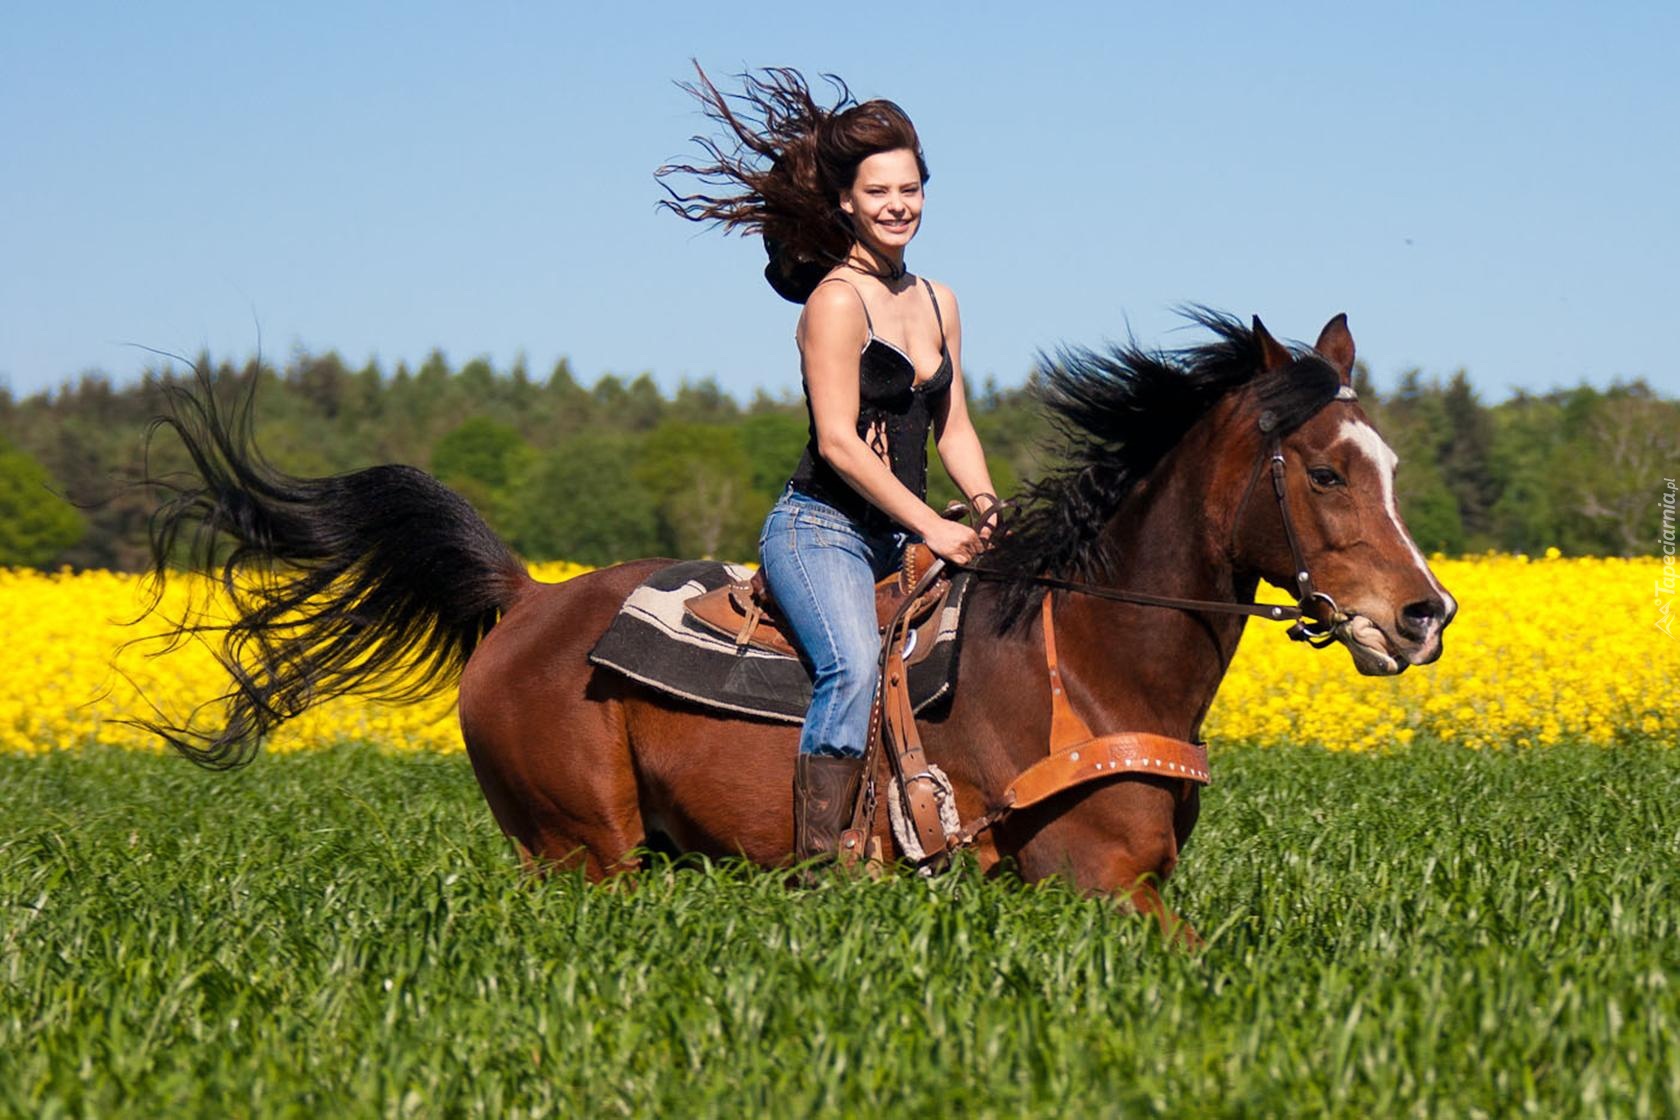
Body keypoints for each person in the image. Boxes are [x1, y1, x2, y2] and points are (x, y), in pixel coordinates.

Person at [658, 66, 999, 861]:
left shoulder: (940, 300)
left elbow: (955, 428)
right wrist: (932, 529)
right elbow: (841, 442)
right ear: (846, 199)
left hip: (905, 530)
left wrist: (984, 505)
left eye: (911, 188)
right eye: (880, 190)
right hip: (824, 531)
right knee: (850, 668)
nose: (898, 205)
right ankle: (823, 865)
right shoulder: (836, 302)